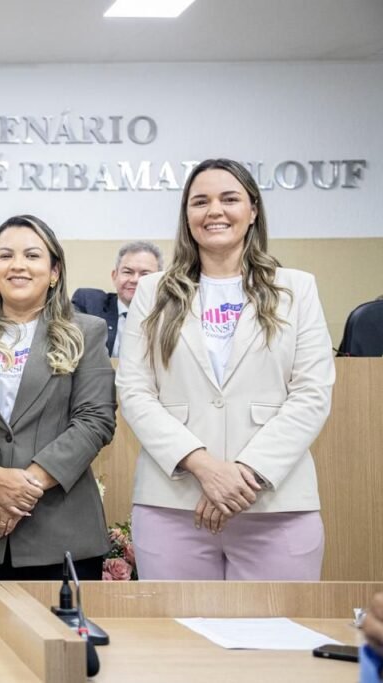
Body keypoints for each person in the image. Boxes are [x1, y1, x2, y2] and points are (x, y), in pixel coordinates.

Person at [116, 158, 335, 581]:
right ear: (187, 217)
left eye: (229, 199)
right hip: (174, 502)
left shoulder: (297, 288)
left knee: (275, 641)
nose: (214, 211)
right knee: (178, 642)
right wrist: (205, 468)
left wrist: (243, 475)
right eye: (200, 202)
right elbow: (135, 391)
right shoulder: (152, 291)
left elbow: (312, 393)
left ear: (252, 210)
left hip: (276, 504)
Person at [0, 215, 116, 581]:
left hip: (63, 528)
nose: (17, 265)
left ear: (54, 272)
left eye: (32, 256)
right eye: (5, 256)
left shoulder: (87, 331)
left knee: (64, 636)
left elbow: (95, 420)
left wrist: (22, 490)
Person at [72, 241, 162, 357]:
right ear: (115, 276)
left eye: (145, 274)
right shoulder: (89, 303)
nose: (135, 280)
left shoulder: (169, 316)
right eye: (127, 272)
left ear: (160, 281)